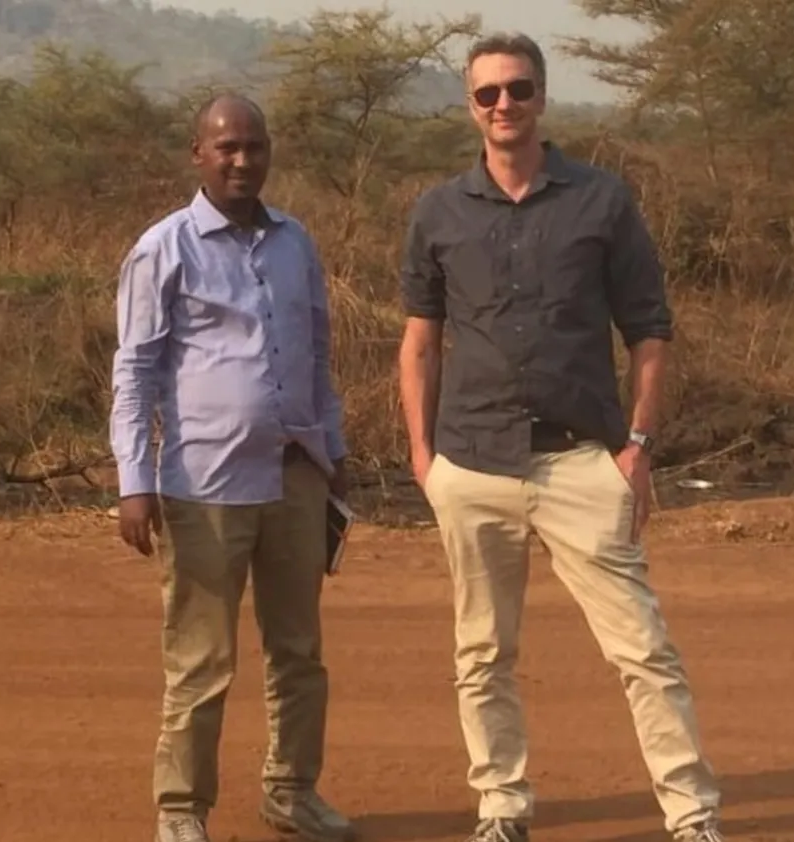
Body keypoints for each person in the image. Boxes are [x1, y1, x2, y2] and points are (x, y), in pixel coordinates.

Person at [397, 32, 725, 842]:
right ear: (470, 107)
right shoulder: (438, 211)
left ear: (541, 96)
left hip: (581, 460)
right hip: (472, 461)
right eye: (487, 93)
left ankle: (690, 814)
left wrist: (637, 446)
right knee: (481, 656)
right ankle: (501, 807)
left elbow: (647, 331)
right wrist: (423, 459)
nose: (503, 104)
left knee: (642, 650)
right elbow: (419, 343)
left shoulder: (601, 201)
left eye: (517, 88)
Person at [109, 92, 357, 842]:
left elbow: (316, 353)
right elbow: (135, 371)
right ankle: (181, 808)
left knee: (299, 652)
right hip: (204, 485)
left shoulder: (294, 243)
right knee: (201, 659)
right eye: (227, 147)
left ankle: (292, 792)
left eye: (255, 146)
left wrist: (334, 451)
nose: (243, 160)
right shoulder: (165, 248)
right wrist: (134, 481)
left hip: (294, 475)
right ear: (199, 154)